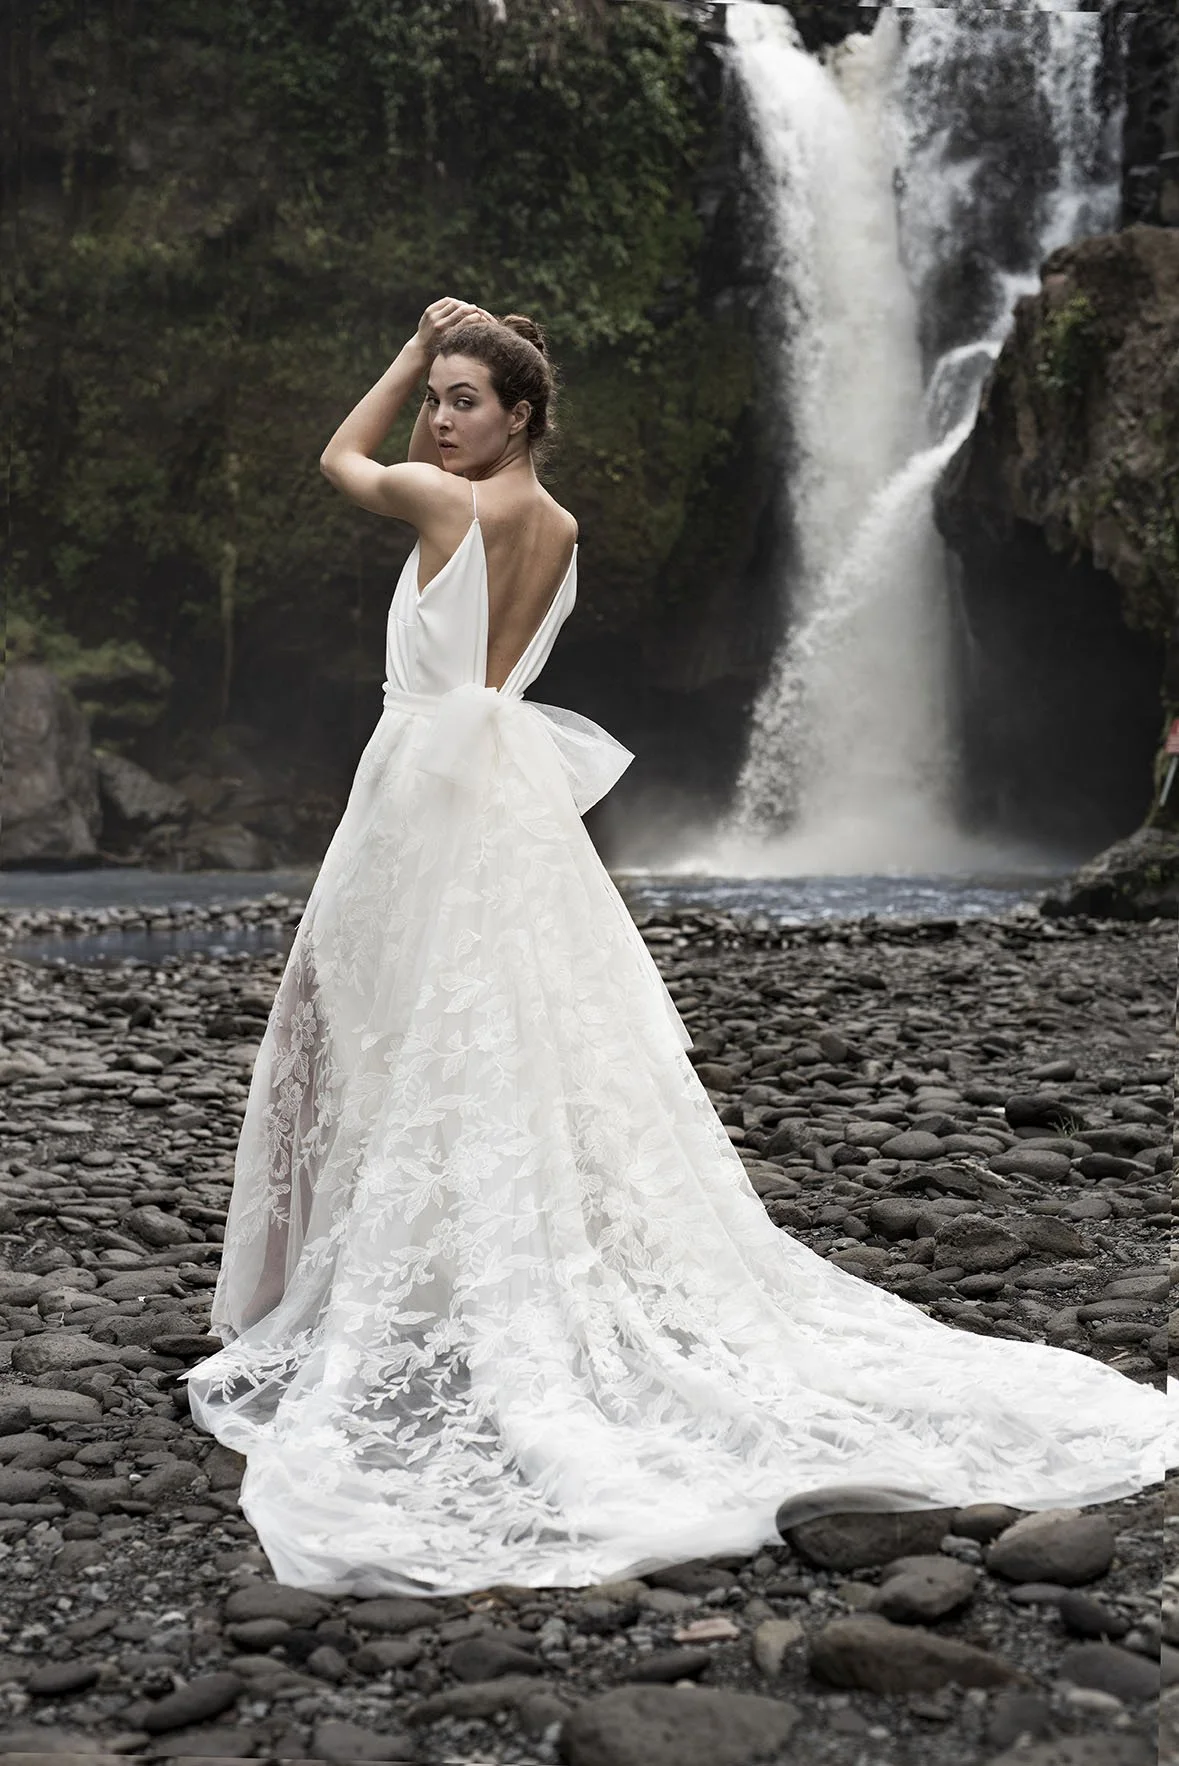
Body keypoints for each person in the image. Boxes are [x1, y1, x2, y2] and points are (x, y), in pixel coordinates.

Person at [183, 299, 1169, 1598]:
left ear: (520, 413)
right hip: (491, 796)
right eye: (440, 396)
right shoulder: (560, 526)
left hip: (426, 784)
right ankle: (427, 1275)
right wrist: (459, 363)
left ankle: (305, 1297)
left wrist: (406, 350)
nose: (440, 415)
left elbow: (335, 463)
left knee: (348, 1015)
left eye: (466, 396)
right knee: (499, 1027)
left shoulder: (447, 507)